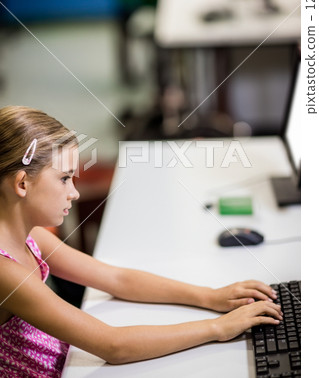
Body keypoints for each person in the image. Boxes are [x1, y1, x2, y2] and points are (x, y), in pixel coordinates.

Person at [0, 105, 282, 377]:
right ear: (22, 184)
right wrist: (218, 328)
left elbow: (116, 278)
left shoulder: (31, 235)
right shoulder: (6, 272)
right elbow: (113, 345)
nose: (74, 193)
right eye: (64, 179)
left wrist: (210, 295)